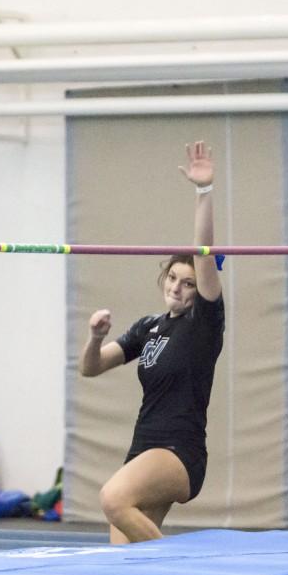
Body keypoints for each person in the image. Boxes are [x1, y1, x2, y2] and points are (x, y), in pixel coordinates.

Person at [79, 140, 224, 544]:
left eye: (189, 283)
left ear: (200, 290)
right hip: (143, 448)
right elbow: (90, 369)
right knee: (124, 557)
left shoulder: (204, 324)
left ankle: (179, 568)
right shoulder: (148, 328)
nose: (178, 288)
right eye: (173, 279)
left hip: (179, 451)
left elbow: (205, 252)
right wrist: (95, 337)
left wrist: (203, 192)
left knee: (112, 499)